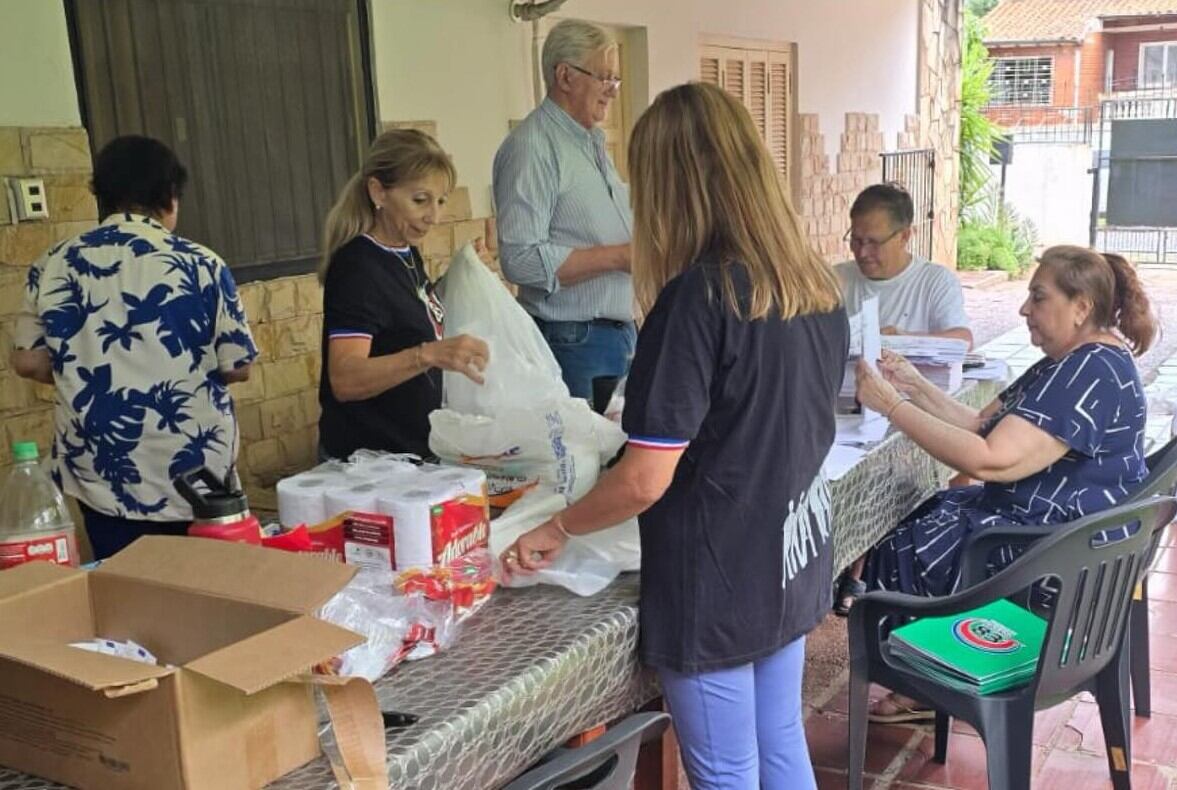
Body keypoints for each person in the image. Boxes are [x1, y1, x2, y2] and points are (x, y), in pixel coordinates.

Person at [501, 83, 849, 789]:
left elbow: (643, 479)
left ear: (671, 188)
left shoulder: (698, 298)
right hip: (789, 553)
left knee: (725, 770)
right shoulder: (810, 284)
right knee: (779, 740)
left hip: (719, 577)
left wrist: (557, 527)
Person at [850, 245, 1155, 722]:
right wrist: (911, 384)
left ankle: (927, 680)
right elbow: (980, 426)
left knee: (905, 539)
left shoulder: (1089, 372)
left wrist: (891, 406)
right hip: (1056, 530)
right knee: (923, 508)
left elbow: (991, 460)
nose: (1024, 309)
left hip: (1053, 559)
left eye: (1038, 297)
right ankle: (924, 672)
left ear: (1081, 307)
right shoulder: (1071, 360)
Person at [11, 135, 258, 560]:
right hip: (197, 473)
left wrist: (87, 366)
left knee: (126, 582)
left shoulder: (53, 263)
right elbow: (237, 365)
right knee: (208, 580)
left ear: (102, 196)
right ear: (170, 197)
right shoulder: (202, 264)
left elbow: (28, 361)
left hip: (103, 472)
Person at [317, 129, 490, 461]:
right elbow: (345, 378)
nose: (433, 217)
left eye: (440, 201)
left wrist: (466, 273)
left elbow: (409, 311)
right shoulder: (357, 268)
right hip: (368, 463)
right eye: (420, 200)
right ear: (378, 192)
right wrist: (427, 355)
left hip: (410, 454)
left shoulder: (404, 251)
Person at [492, 19, 635, 402]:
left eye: (615, 79)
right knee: (584, 444)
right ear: (565, 76)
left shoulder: (590, 142)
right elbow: (519, 259)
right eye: (603, 78)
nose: (612, 90)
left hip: (614, 335)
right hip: (572, 341)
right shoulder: (533, 148)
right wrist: (621, 257)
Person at [835, 182, 972, 346]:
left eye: (874, 242)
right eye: (856, 240)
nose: (863, 252)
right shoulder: (834, 280)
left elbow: (964, 341)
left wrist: (906, 339)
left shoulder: (936, 282)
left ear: (904, 236)